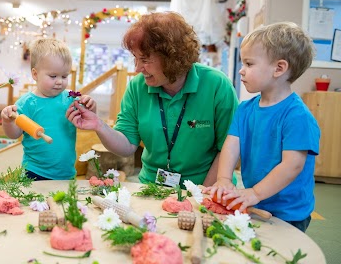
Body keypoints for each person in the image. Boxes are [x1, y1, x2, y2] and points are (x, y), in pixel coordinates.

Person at [66, 12, 238, 187]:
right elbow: (126, 145)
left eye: (145, 60)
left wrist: (201, 194)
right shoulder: (137, 87)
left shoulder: (217, 85)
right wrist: (99, 125)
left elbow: (229, 147)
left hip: (207, 185)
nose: (138, 68)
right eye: (135, 58)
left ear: (173, 58)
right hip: (152, 187)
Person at [204, 22, 320, 232]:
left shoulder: (297, 116)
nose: (241, 70)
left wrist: (255, 193)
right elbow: (231, 146)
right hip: (255, 201)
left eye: (249, 64)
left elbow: (292, 165)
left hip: (289, 211)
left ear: (279, 68)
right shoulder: (245, 109)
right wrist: (223, 179)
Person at [1, 38, 96, 180]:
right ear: (35, 74)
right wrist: (7, 122)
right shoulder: (26, 104)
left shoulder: (71, 99)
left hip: (67, 172)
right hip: (34, 172)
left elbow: (86, 122)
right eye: (53, 76)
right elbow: (14, 134)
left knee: (64, 202)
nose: (59, 81)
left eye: (64, 76)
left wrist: (91, 108)